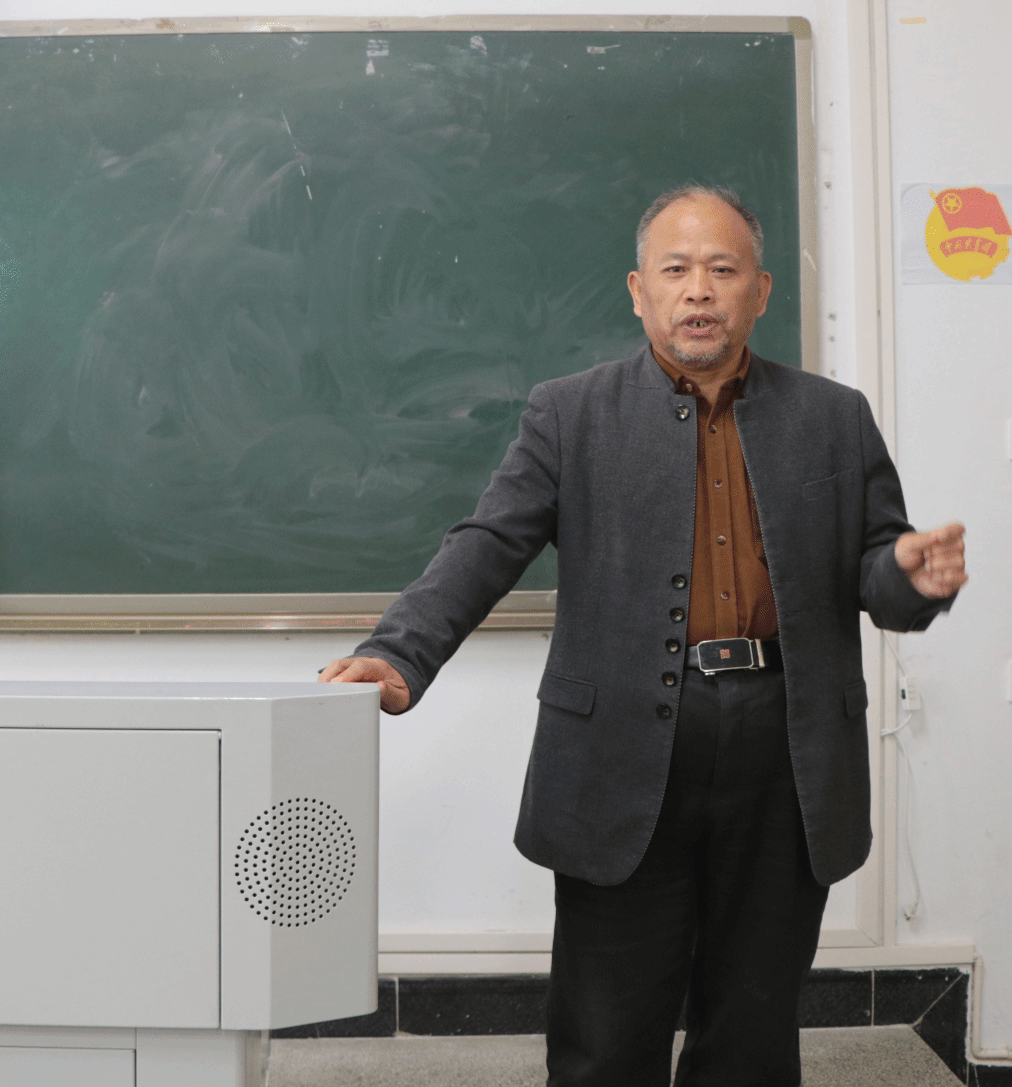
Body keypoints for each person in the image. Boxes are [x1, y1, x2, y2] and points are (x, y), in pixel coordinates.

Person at [320, 185, 967, 1087]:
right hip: (621, 754)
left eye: (722, 269)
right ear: (639, 290)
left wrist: (908, 575)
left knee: (752, 1035)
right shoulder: (570, 412)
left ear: (760, 291)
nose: (698, 289)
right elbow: (487, 543)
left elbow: (874, 570)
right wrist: (399, 650)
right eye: (676, 269)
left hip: (787, 754)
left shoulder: (833, 416)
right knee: (607, 1037)